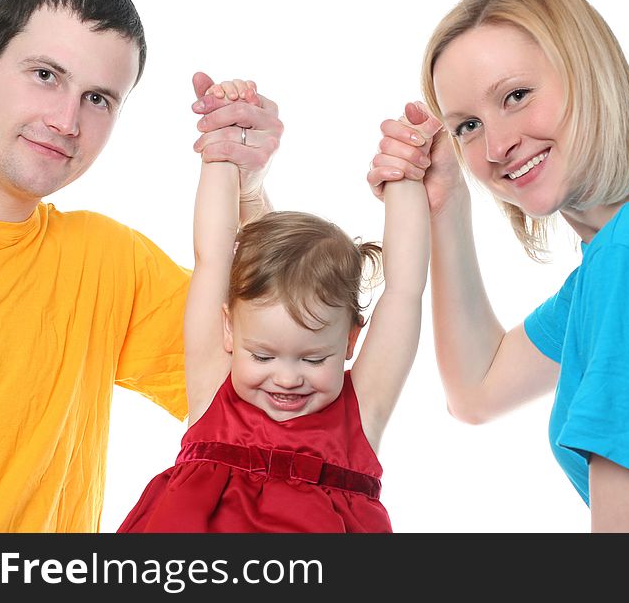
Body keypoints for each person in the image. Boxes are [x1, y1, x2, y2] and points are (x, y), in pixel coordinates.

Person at [0, 0, 283, 532]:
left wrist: (249, 192)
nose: (66, 120)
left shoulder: (107, 262)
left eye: (98, 99)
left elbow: (277, 387)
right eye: (45, 74)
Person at [368, 0, 629, 532]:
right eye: (468, 126)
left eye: (517, 96)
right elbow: (478, 389)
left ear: (588, 72)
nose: (496, 146)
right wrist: (447, 202)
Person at [118, 79, 430, 532]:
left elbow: (404, 289)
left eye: (313, 357)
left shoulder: (361, 411)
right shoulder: (214, 388)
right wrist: (222, 149)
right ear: (229, 332)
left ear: (349, 339)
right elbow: (212, 255)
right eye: (262, 356)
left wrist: (405, 174)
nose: (287, 378)